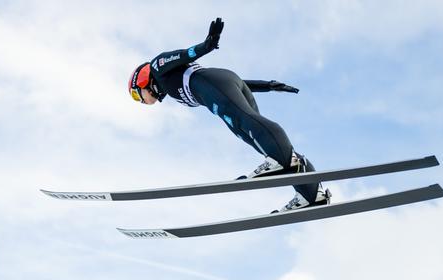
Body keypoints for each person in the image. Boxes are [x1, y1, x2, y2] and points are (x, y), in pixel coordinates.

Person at [127, 18, 330, 212]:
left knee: (249, 124)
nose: (142, 101)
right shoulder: (169, 86)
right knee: (253, 136)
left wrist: (207, 45)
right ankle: (311, 194)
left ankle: (284, 161)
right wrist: (267, 86)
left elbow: (184, 55)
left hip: (215, 85)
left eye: (137, 95)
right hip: (226, 84)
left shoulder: (157, 66)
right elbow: (234, 84)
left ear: (141, 80)